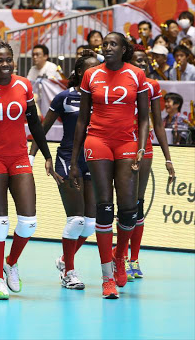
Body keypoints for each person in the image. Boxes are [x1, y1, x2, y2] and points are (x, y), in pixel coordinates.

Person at [0, 42, 60, 300]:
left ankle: (11, 261)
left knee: (29, 222)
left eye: (8, 60)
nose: (4, 64)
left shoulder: (23, 85)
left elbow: (35, 124)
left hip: (19, 157)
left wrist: (47, 154)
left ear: (14, 62)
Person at [69, 32, 150, 299]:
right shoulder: (91, 75)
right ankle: (106, 278)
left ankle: (119, 256)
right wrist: (73, 160)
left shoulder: (136, 75)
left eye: (113, 44)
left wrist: (140, 148)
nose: (107, 47)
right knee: (104, 207)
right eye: (105, 44)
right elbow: (81, 120)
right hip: (98, 140)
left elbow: (144, 119)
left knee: (129, 209)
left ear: (124, 48)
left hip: (127, 143)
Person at [29, 55, 100, 290]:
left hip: (93, 159)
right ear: (79, 71)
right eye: (89, 68)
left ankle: (62, 260)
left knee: (90, 224)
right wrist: (33, 157)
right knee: (76, 218)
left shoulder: (102, 97)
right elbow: (42, 128)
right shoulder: (64, 97)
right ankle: (69, 271)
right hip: (68, 158)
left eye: (97, 68)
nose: (94, 72)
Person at [126, 44, 175, 279]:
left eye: (145, 61)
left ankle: (133, 258)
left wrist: (168, 157)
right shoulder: (119, 84)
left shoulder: (152, 85)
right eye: (138, 60)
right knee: (122, 205)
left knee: (138, 203)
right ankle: (119, 256)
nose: (143, 64)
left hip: (143, 149)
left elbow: (158, 124)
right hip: (120, 147)